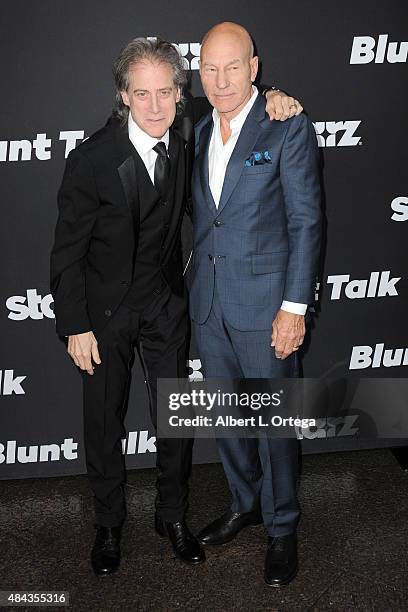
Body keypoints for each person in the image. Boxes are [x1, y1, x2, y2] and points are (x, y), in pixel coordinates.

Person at [50, 36, 302, 576]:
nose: (156, 106)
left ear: (180, 94)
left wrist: (277, 94)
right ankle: (110, 525)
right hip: (104, 316)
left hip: (166, 305)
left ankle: (173, 518)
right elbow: (66, 252)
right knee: (103, 422)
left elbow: (247, 108)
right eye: (142, 94)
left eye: (167, 92)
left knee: (175, 421)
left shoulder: (190, 131)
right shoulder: (91, 159)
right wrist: (74, 323)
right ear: (123, 96)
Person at [189, 22, 321, 587]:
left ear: (255, 67)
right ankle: (246, 504)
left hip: (269, 306)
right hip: (210, 306)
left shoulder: (285, 124)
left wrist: (294, 306)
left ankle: (283, 527)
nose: (221, 80)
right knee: (229, 420)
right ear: (199, 73)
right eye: (210, 69)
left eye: (232, 67)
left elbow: (305, 220)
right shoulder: (194, 131)